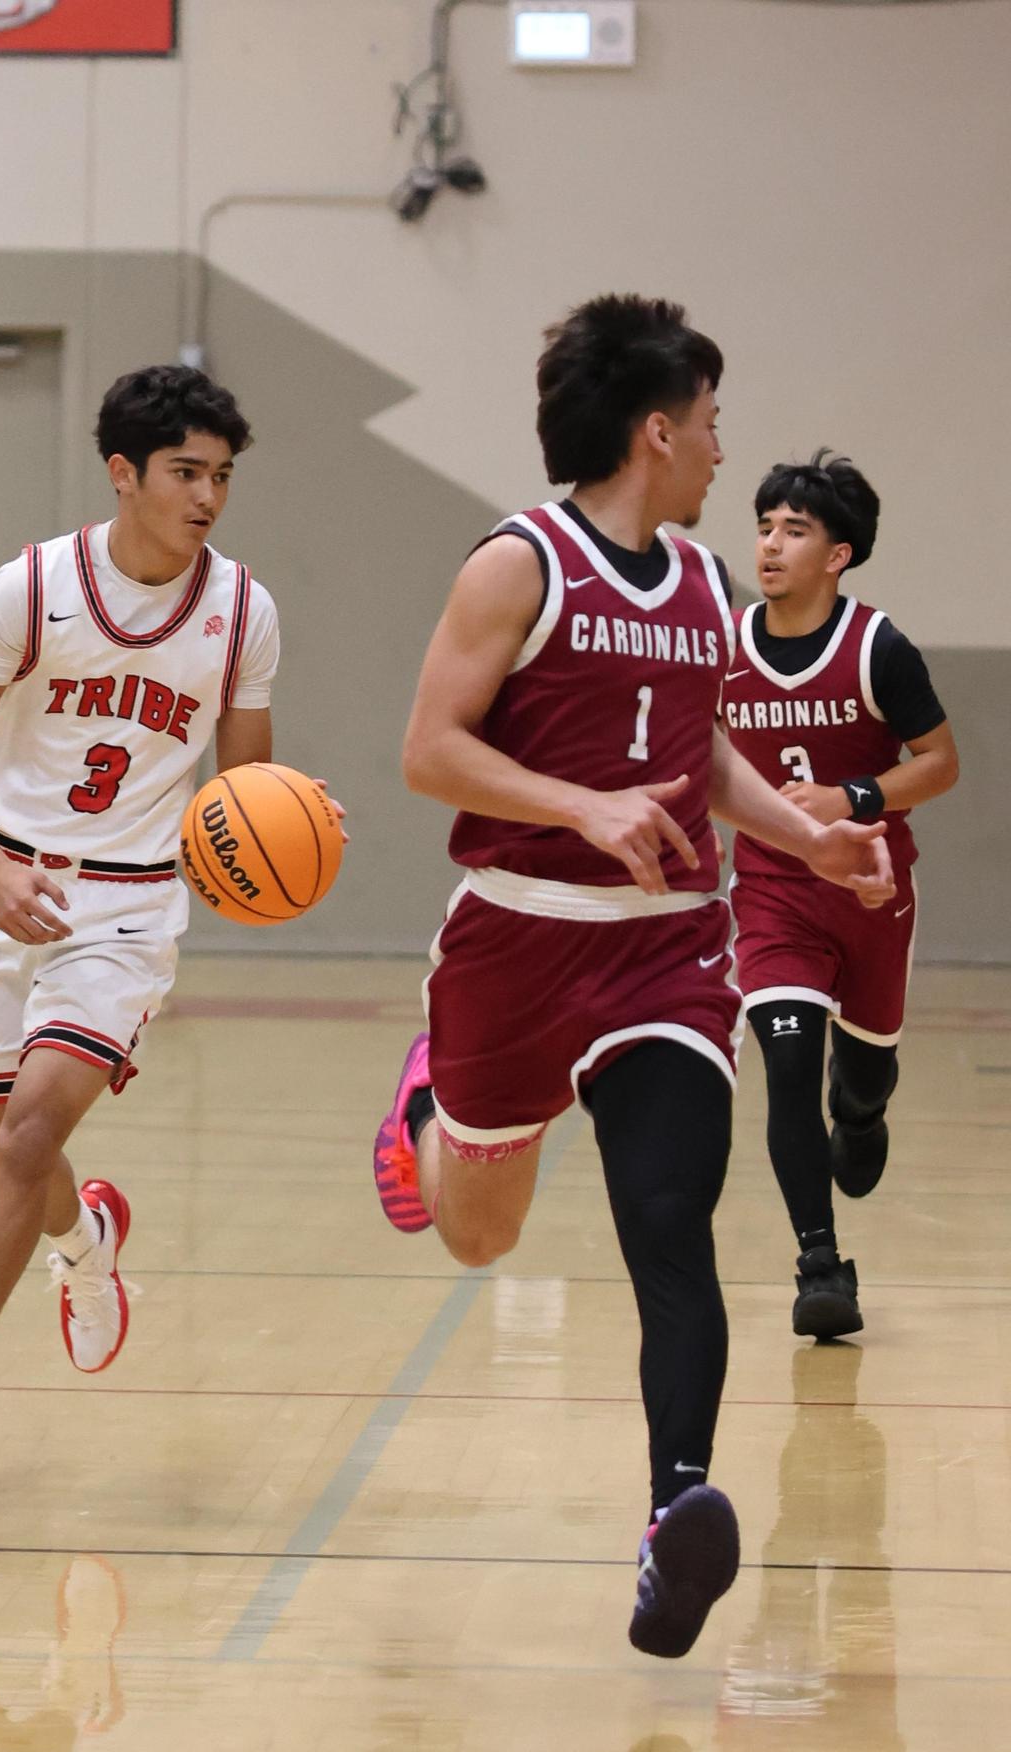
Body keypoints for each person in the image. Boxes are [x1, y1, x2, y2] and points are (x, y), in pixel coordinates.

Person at [374, 295, 893, 1658]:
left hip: (667, 949)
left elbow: (700, 753)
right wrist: (577, 805)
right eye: (712, 422)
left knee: (672, 1221)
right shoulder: (519, 565)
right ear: (657, 431)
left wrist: (811, 843)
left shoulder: (706, 583)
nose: (724, 448)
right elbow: (430, 750)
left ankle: (675, 1515)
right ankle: (426, 1110)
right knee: (479, 1238)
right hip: (517, 939)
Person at [0, 365, 284, 1512]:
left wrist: (281, 831)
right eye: (186, 472)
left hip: (128, 910)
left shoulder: (242, 611)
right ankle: (85, 1245)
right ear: (123, 473)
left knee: (29, 1135)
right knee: (14, 1154)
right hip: (5, 893)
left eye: (222, 476)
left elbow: (242, 790)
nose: (208, 497)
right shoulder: (34, 588)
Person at [726, 453, 958, 1338]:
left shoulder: (879, 649)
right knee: (786, 1069)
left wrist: (853, 797)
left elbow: (941, 763)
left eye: (794, 530)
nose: (770, 544)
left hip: (868, 891)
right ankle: (819, 1265)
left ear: (838, 555)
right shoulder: (725, 649)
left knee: (860, 1083)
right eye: (764, 527)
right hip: (773, 893)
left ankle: (861, 1113)